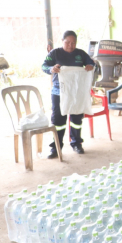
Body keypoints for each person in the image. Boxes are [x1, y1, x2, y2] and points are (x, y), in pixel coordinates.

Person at [41, 30, 95, 158]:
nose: (70, 45)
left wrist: (89, 65)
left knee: (76, 118)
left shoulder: (80, 54)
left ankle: (76, 143)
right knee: (58, 120)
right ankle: (56, 147)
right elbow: (43, 66)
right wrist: (51, 69)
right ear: (62, 41)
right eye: (67, 42)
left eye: (73, 43)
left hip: (76, 92)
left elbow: (92, 63)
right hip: (58, 92)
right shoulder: (55, 53)